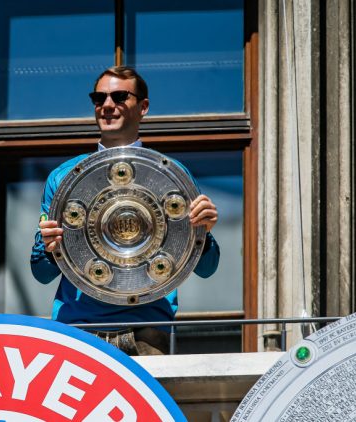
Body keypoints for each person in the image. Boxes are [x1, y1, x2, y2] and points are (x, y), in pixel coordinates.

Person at [31, 66, 220, 355]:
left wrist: (203, 231)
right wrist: (48, 248)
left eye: (119, 97)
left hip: (148, 331)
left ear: (143, 107)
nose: (107, 106)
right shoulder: (64, 177)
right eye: (99, 98)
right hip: (78, 330)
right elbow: (41, 272)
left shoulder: (171, 174)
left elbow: (207, 268)